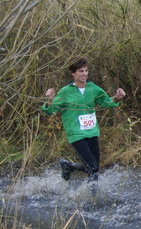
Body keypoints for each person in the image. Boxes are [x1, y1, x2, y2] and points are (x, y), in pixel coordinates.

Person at [42, 56, 126, 186]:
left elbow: (104, 103)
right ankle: (92, 198)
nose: (84, 74)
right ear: (73, 73)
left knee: (94, 167)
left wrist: (116, 98)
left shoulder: (93, 88)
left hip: (91, 131)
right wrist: (50, 99)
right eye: (81, 71)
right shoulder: (66, 92)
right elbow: (51, 110)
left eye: (86, 70)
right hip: (76, 133)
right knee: (92, 167)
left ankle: (70, 167)